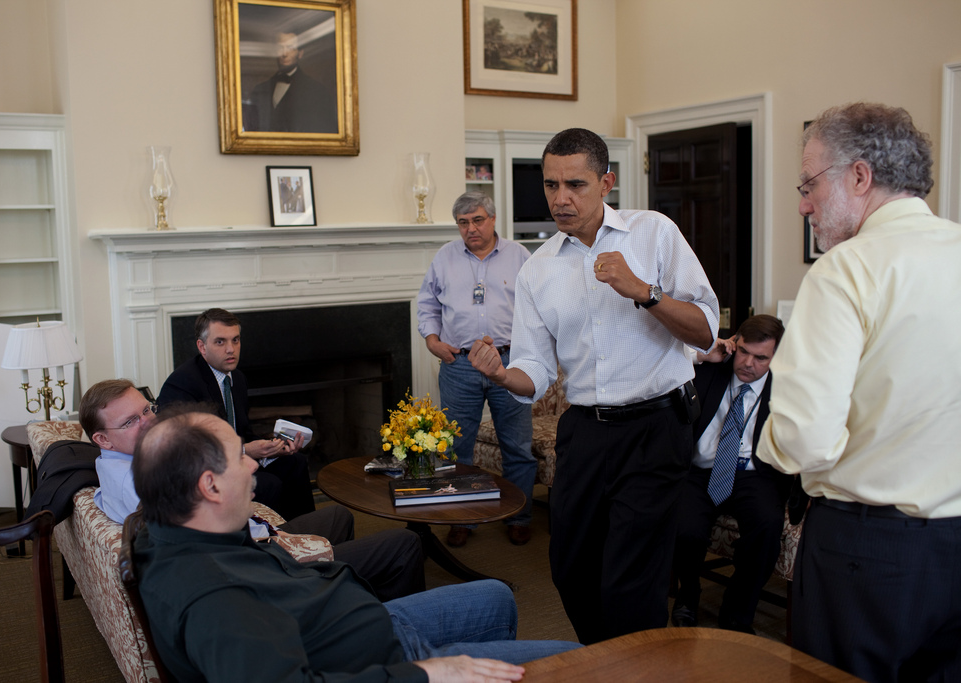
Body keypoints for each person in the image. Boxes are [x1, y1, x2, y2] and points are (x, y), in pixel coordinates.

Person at [469, 127, 719, 644]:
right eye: (551, 185)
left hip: (656, 426)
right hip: (583, 430)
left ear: (607, 182)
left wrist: (644, 292)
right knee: (569, 567)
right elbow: (536, 370)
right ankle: (609, 660)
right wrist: (501, 373)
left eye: (576, 185)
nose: (561, 198)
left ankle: (634, 669)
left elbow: (705, 328)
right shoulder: (538, 270)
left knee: (632, 582)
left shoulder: (655, 234)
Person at [131, 406, 581, 682]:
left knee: (497, 596)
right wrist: (427, 674)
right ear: (209, 485)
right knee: (582, 663)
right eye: (239, 458)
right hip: (389, 664)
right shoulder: (214, 599)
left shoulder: (179, 525)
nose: (252, 466)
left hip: (371, 623)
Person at [756, 102, 961, 682]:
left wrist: (768, 442)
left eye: (809, 183)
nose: (803, 203)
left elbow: (805, 441)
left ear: (860, 177)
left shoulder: (845, 270)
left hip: (866, 552)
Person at [82, 379, 424, 602]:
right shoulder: (141, 482)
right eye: (131, 421)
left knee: (337, 515)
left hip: (256, 540)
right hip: (259, 562)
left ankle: (346, 599)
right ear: (101, 438)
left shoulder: (120, 464)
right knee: (404, 544)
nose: (149, 422)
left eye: (147, 409)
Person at [417, 191, 535, 547]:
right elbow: (426, 304)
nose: (471, 229)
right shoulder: (444, 257)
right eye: (463, 223)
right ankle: (463, 520)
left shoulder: (520, 257)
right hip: (460, 364)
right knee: (456, 447)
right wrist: (432, 339)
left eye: (478, 220)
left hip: (510, 361)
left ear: (493, 219)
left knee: (517, 446)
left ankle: (520, 516)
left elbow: (538, 308)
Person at [670, 314, 792, 634]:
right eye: (743, 352)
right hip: (701, 469)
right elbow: (664, 357)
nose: (748, 363)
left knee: (766, 527)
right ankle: (688, 594)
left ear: (776, 358)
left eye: (761, 357)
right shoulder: (710, 371)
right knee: (686, 528)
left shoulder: (788, 389)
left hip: (755, 473)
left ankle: (738, 611)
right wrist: (705, 354)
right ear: (733, 345)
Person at [157, 308, 315, 522]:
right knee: (269, 483)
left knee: (294, 462)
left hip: (236, 459)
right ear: (202, 347)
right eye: (220, 342)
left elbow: (244, 432)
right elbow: (185, 449)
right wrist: (245, 449)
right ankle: (274, 541)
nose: (231, 349)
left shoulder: (237, 379)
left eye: (236, 340)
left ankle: (306, 534)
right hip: (206, 471)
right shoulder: (184, 383)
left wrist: (273, 448)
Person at [243, 30, 338, 134]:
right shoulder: (259, 90)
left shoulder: (317, 92)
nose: (284, 54)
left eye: (290, 48)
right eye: (280, 48)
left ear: (300, 53)